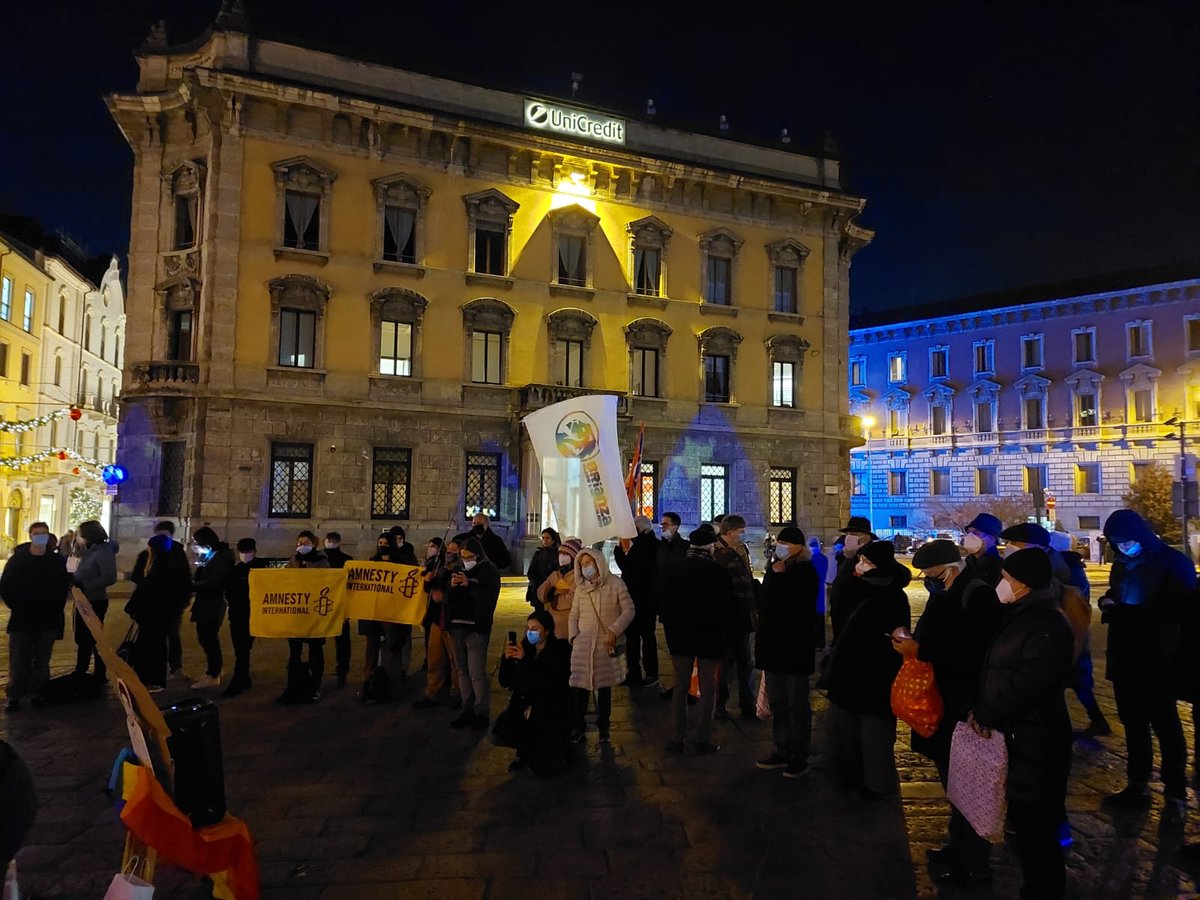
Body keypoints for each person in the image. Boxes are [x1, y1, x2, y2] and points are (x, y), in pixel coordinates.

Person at [971, 549, 1074, 899]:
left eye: (1008, 579)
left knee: (1038, 829)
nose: (1003, 584)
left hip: (1037, 739)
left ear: (1024, 583)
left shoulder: (1047, 622)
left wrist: (988, 711)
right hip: (1020, 734)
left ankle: (1043, 892)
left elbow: (1031, 681)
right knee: (1027, 827)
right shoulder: (1022, 613)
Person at [903, 539, 1003, 886]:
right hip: (943, 699)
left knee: (966, 782)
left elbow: (973, 651)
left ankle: (974, 862)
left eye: (933, 574)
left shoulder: (975, 594)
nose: (930, 580)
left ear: (952, 567)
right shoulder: (946, 590)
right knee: (952, 782)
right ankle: (957, 848)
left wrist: (923, 647)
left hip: (963, 705)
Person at [1099, 508, 1196, 821]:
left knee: (1166, 727)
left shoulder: (1172, 562)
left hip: (1159, 659)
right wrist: (1108, 602)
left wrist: (1131, 613)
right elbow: (1116, 592)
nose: (1124, 547)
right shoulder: (1122, 564)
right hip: (1126, 658)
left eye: (1127, 540)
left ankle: (1175, 791)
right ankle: (1137, 784)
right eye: (1117, 543)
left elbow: (1182, 609)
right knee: (1133, 725)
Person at [824, 540, 911, 799]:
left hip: (875, 673)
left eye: (867, 562)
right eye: (860, 560)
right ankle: (848, 774)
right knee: (846, 731)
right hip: (848, 671)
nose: (860, 565)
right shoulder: (858, 586)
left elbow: (896, 635)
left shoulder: (892, 595)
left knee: (874, 735)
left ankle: (875, 784)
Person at [661, 528, 735, 755]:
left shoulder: (674, 570)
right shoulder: (719, 573)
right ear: (710, 547)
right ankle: (701, 739)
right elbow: (727, 610)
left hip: (680, 639)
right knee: (707, 689)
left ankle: (677, 738)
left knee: (680, 689)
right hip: (709, 639)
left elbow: (664, 604)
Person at [755, 526, 820, 778]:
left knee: (796, 703)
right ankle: (781, 749)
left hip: (794, 647)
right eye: (779, 541)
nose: (781, 546)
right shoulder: (775, 568)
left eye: (786, 542)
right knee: (778, 702)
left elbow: (796, 606)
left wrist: (781, 578)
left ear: (798, 547)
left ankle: (799, 754)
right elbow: (766, 603)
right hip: (772, 647)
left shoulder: (805, 571)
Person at [567, 549, 634, 743]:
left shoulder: (615, 584)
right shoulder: (580, 588)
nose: (585, 567)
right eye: (582, 564)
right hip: (583, 645)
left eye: (589, 562)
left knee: (603, 688)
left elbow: (629, 610)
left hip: (605, 643)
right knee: (579, 688)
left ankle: (603, 726)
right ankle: (578, 726)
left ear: (598, 562)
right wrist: (574, 637)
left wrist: (614, 630)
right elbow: (574, 615)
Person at [2, 522, 71, 710]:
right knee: (18, 658)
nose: (40, 537)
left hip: (47, 618)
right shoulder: (18, 559)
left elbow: (63, 587)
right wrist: (17, 604)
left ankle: (36, 693)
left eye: (43, 533)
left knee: (42, 659)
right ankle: (14, 695)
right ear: (31, 535)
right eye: (36, 533)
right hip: (22, 618)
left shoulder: (56, 561)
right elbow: (6, 585)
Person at [496, 608, 574, 775]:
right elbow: (505, 681)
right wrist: (507, 660)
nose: (531, 633)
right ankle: (523, 750)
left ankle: (557, 746)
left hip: (550, 706)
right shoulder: (526, 648)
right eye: (529, 629)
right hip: (525, 703)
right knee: (499, 731)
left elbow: (548, 683)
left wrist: (525, 662)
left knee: (540, 769)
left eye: (535, 629)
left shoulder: (560, 650)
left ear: (547, 630)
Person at [1048, 530, 1110, 738]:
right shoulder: (1072, 565)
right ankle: (1096, 720)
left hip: (1070, 632)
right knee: (1079, 684)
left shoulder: (1063, 568)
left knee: (1069, 683)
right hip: (1076, 633)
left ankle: (1093, 721)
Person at [447, 536, 502, 729]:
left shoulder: (489, 571)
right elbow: (449, 599)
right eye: (462, 557)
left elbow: (488, 600)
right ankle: (466, 708)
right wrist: (452, 587)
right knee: (461, 671)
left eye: (469, 557)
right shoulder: (457, 569)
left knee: (476, 672)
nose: (465, 560)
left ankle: (481, 712)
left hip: (476, 629)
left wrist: (469, 584)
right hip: (457, 627)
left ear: (478, 556)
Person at [124, 533, 190, 692]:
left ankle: (154, 680)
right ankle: (147, 678)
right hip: (155, 614)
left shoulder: (161, 568)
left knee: (155, 647)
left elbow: (153, 591)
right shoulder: (165, 564)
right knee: (151, 646)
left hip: (155, 615)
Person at [712, 514, 758, 720]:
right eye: (740, 532)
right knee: (732, 663)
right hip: (731, 619)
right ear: (731, 532)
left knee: (737, 663)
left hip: (735, 618)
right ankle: (733, 705)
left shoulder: (732, 552)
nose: (742, 535)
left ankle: (739, 704)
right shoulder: (722, 554)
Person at [280, 530, 331, 704]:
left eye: (305, 543)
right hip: (296, 612)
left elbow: (327, 583)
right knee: (294, 651)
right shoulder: (293, 561)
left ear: (314, 544)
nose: (301, 546)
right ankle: (293, 684)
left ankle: (315, 686)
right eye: (299, 543)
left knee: (315, 651)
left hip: (314, 613)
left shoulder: (322, 562)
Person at [415, 537, 462, 710]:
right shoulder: (440, 567)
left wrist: (442, 592)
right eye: (448, 549)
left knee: (455, 660)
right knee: (434, 658)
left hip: (452, 621)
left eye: (454, 549)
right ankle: (433, 691)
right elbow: (430, 587)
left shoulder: (460, 570)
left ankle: (457, 693)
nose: (450, 552)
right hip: (437, 619)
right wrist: (429, 581)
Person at [614, 516, 660, 687]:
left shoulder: (650, 546)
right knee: (632, 637)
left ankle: (650, 673)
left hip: (645, 600)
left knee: (646, 637)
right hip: (634, 599)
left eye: (635, 529)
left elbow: (629, 569)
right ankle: (633, 672)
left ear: (644, 529)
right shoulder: (641, 545)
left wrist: (619, 554)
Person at [73, 520, 118, 683]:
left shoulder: (103, 551)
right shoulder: (88, 551)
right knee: (82, 637)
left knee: (94, 637)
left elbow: (109, 577)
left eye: (79, 534)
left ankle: (99, 672)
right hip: (83, 599)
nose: (77, 537)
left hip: (95, 600)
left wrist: (86, 585)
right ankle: (81, 669)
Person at [189, 526, 234, 690]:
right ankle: (215, 668)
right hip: (206, 602)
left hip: (212, 604)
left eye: (196, 542)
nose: (195, 545)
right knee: (207, 637)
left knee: (208, 638)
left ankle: (213, 673)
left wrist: (192, 586)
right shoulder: (212, 555)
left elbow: (216, 582)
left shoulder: (221, 557)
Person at [224, 538, 268, 698]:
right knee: (240, 648)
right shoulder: (235, 570)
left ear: (254, 552)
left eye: (247, 552)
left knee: (243, 648)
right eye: (242, 552)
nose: (244, 555)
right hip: (237, 614)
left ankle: (239, 678)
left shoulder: (261, 569)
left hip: (253, 614)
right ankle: (243, 676)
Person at [321, 532, 354, 688]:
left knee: (342, 641)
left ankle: (342, 670)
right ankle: (339, 669)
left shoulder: (347, 561)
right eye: (329, 541)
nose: (331, 544)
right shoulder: (319, 559)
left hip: (340, 605)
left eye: (333, 541)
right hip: (323, 604)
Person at [537, 538, 581, 640]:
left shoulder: (577, 577)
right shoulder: (555, 574)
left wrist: (553, 596)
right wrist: (552, 589)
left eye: (566, 554)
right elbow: (541, 594)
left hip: (566, 625)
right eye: (560, 553)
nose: (562, 557)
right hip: (549, 620)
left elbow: (571, 599)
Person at [961, 512, 1003, 587]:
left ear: (991, 539)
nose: (970, 537)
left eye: (976, 533)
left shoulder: (1001, 569)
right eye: (968, 533)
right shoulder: (967, 565)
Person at [526, 528, 560, 609]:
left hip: (553, 590)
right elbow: (531, 572)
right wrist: (538, 584)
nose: (545, 540)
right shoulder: (538, 553)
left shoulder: (558, 554)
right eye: (543, 538)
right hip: (538, 589)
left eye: (547, 538)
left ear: (553, 540)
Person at [809, 535, 829, 650]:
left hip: (816, 591)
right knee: (818, 619)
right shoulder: (822, 558)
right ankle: (819, 643)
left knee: (817, 620)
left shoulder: (812, 559)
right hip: (819, 591)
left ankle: (818, 643)